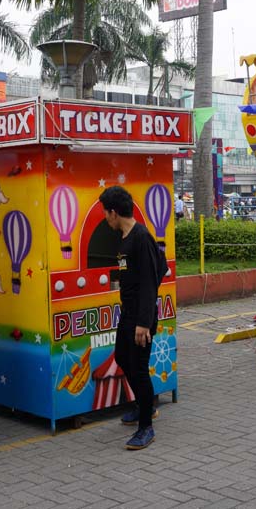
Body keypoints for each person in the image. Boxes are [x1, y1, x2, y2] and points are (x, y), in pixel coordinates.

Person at [99, 185, 164, 450]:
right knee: (122, 358)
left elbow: (151, 280)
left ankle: (146, 427)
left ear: (114, 213)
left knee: (138, 369)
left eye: (106, 213)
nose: (105, 218)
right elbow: (160, 266)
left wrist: (143, 322)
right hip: (128, 313)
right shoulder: (125, 237)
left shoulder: (141, 237)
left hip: (140, 317)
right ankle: (143, 406)